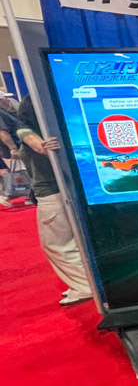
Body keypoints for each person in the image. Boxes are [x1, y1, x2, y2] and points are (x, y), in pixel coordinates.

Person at [16, 96, 92, 306]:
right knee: (71, 240)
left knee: (57, 244)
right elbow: (35, 142)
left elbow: (37, 144)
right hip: (64, 191)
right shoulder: (56, 127)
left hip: (51, 194)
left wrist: (45, 147)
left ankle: (84, 285)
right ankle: (86, 283)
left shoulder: (32, 130)